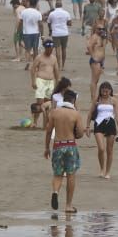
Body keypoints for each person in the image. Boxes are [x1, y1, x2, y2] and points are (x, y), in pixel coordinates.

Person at [44, 87, 83, 215]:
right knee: (71, 175)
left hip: (58, 145)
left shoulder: (54, 112)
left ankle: (55, 192)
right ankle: (68, 205)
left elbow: (49, 131)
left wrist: (46, 148)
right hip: (70, 145)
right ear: (73, 100)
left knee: (57, 174)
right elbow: (81, 133)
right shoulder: (75, 114)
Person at [89, 81, 118, 179]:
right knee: (101, 148)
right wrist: (87, 127)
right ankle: (102, 169)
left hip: (110, 124)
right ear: (100, 90)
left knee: (109, 150)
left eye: (107, 90)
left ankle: (107, 172)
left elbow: (117, 115)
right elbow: (90, 114)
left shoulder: (113, 100)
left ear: (110, 91)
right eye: (103, 90)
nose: (105, 92)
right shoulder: (97, 100)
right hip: (98, 124)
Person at [46, 0, 73, 68]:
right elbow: (70, 23)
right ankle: (63, 65)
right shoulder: (66, 13)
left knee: (57, 49)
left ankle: (58, 65)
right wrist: (64, 22)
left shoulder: (52, 13)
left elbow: (48, 23)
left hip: (55, 33)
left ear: (55, 5)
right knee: (64, 49)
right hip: (64, 33)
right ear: (61, 5)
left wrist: (50, 30)